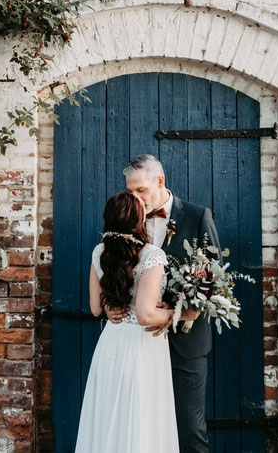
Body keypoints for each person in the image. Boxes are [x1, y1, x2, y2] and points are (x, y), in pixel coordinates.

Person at [106, 154, 221, 453]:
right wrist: (110, 304)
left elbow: (213, 274)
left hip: (186, 341)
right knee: (141, 426)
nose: (135, 198)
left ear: (160, 181)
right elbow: (111, 268)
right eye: (130, 191)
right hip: (138, 343)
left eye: (140, 190)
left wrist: (192, 309)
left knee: (189, 427)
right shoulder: (126, 218)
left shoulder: (197, 216)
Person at [74, 190, 179, 453]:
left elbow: (96, 308)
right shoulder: (151, 255)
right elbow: (145, 315)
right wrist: (180, 313)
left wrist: (113, 306)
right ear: (138, 219)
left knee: (108, 416)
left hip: (111, 341)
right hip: (142, 346)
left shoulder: (99, 251)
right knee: (141, 417)